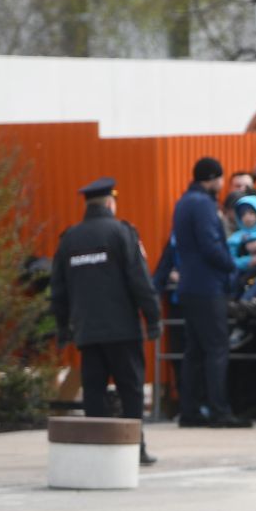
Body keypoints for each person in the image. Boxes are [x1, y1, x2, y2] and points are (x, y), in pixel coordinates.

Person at [50, 178, 162, 464]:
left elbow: (59, 290)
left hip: (87, 332)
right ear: (111, 203)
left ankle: (98, 449)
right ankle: (133, 447)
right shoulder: (121, 232)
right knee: (131, 389)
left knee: (94, 391)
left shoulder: (69, 239)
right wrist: (152, 318)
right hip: (122, 330)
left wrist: (63, 328)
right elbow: (139, 280)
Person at [161, 157, 248, 427]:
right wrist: (231, 267)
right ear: (212, 178)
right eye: (220, 179)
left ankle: (190, 410)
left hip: (189, 286)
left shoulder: (183, 202)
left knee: (195, 351)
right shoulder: (203, 205)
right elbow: (211, 246)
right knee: (216, 349)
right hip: (208, 287)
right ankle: (219, 411)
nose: (221, 185)